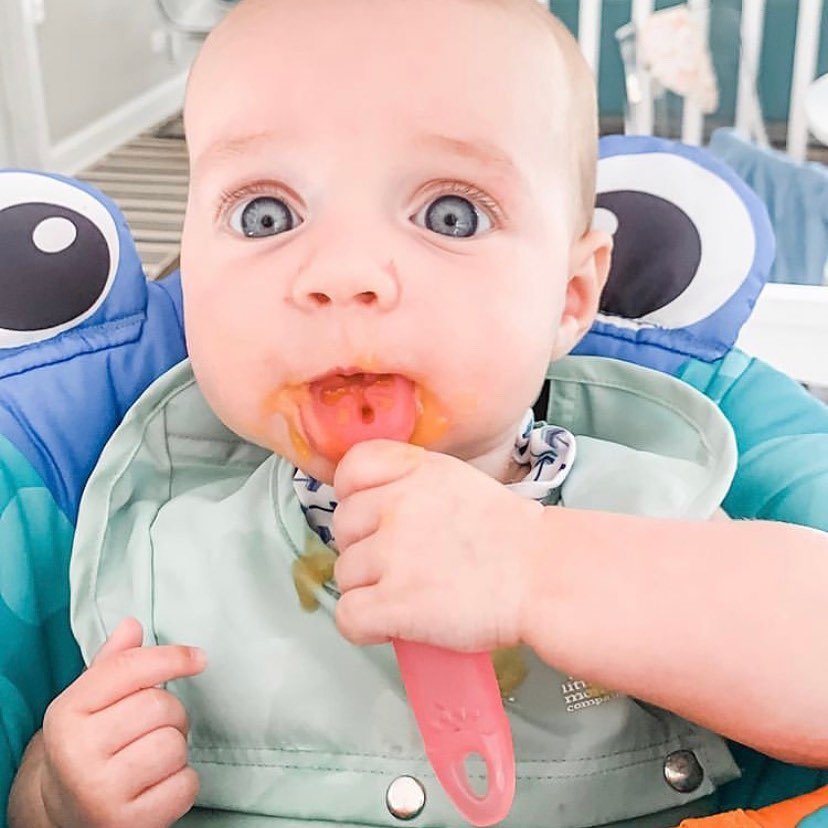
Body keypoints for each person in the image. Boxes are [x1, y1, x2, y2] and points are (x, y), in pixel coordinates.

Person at [8, 1, 828, 826]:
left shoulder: (643, 510)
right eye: (266, 215)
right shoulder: (165, 544)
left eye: (450, 216)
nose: (343, 272)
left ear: (571, 297)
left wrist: (539, 567)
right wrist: (60, 794)